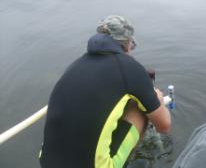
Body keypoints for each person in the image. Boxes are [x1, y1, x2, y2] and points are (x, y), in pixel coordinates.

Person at [39, 15, 171, 168]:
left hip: (47, 162)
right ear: (127, 44)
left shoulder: (75, 65)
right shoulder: (130, 68)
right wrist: (158, 101)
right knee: (140, 108)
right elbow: (164, 126)